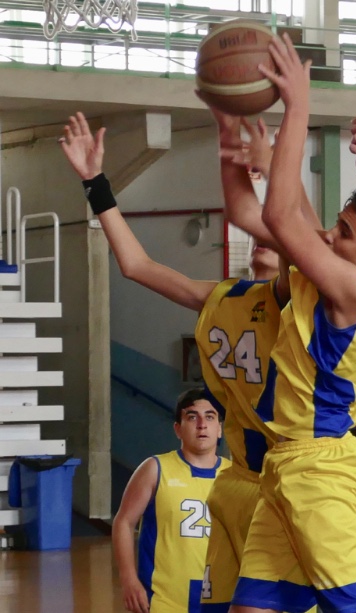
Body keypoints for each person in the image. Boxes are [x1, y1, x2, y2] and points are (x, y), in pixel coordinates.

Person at [60, 111, 290, 612]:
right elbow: (136, 265)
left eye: (274, 235)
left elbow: (293, 229)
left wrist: (272, 171)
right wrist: (94, 182)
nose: (263, 241)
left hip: (296, 476)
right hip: (246, 478)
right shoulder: (224, 297)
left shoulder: (304, 300)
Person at [232, 42, 356, 613]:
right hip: (286, 461)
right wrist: (247, 158)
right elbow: (264, 216)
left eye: (343, 231)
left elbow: (277, 216)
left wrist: (297, 107)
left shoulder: (355, 289)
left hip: (319, 468)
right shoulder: (347, 267)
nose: (331, 236)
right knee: (252, 608)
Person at [112, 390, 228, 613]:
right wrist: (128, 578)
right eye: (192, 417)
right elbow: (124, 522)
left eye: (210, 417)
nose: (202, 425)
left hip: (222, 595)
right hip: (164, 599)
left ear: (220, 428)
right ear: (178, 428)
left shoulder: (235, 475)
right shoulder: (155, 469)